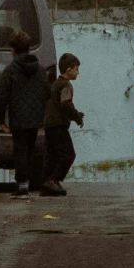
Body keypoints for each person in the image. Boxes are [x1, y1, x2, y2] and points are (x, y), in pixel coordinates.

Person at [0, 29, 51, 194]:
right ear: (29, 49)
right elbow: (47, 92)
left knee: (20, 149)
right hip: (35, 118)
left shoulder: (10, 70)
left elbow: (2, 97)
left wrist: (1, 120)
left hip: (18, 118)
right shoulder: (40, 70)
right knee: (30, 149)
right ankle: (29, 181)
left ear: (13, 49)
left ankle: (22, 183)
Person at [41, 53, 83, 196]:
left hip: (49, 124)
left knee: (52, 155)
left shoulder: (55, 84)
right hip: (59, 125)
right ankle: (54, 180)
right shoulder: (66, 85)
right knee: (68, 155)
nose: (78, 72)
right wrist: (77, 117)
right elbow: (65, 105)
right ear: (69, 70)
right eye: (77, 69)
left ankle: (46, 183)